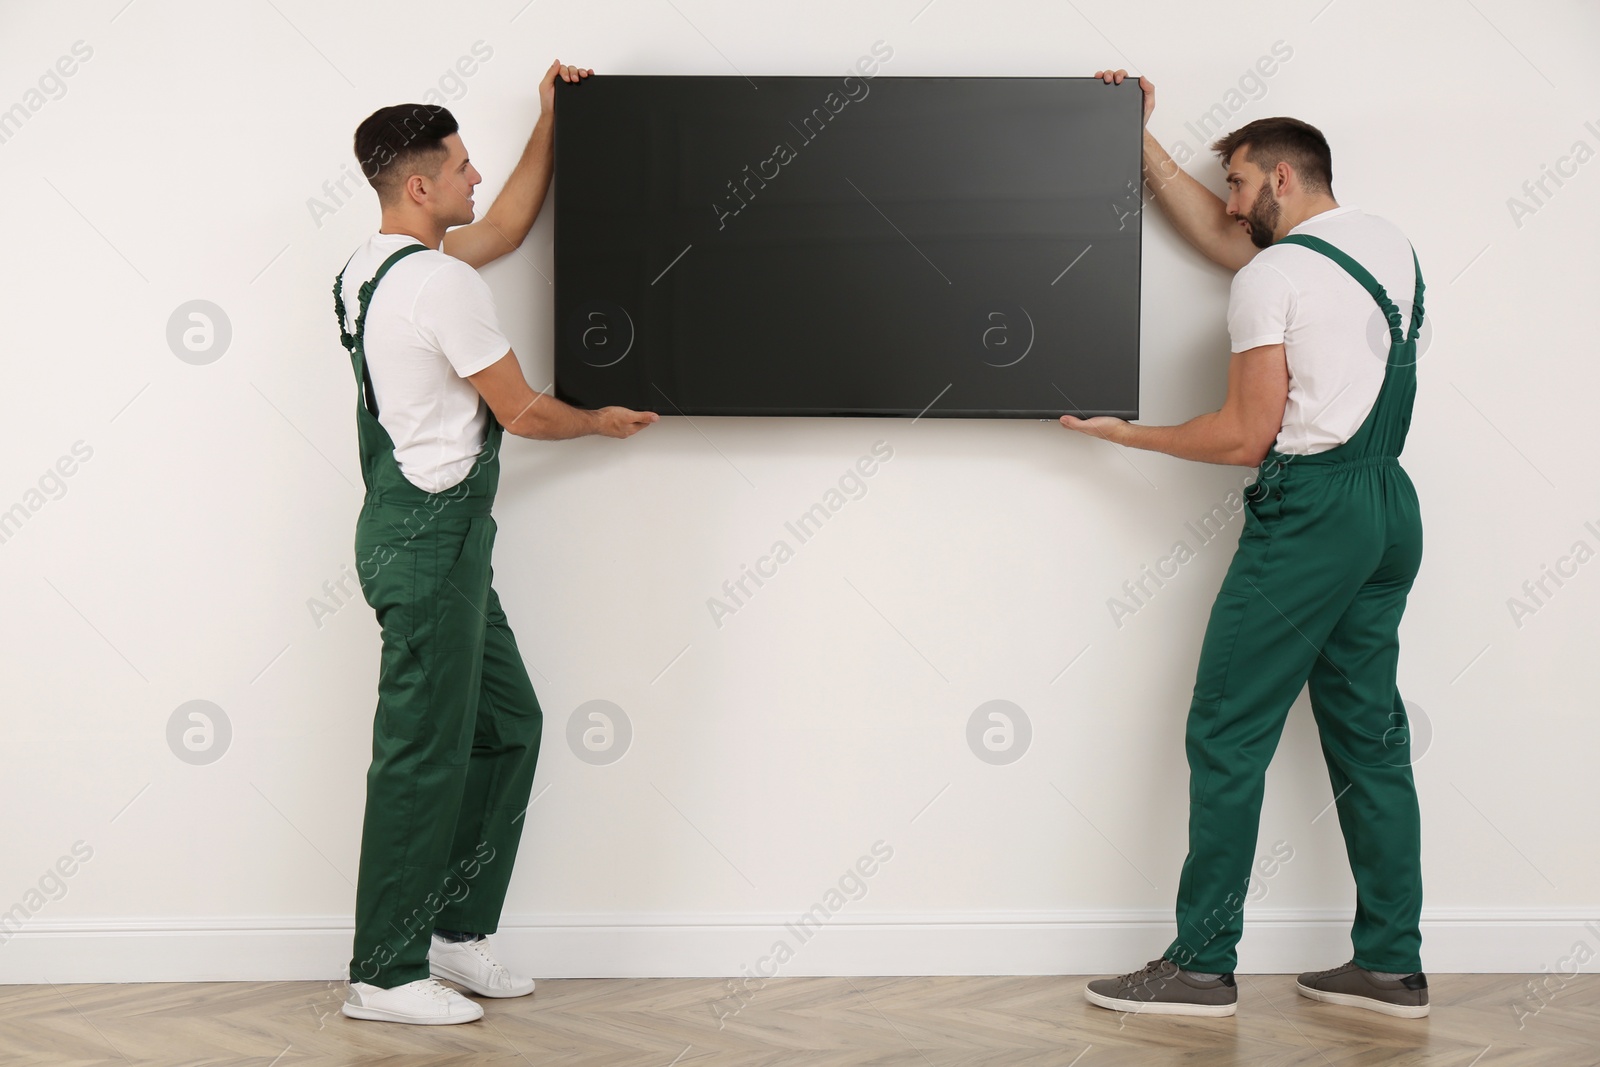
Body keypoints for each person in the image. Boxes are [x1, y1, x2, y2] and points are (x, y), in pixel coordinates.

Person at [1066, 69, 1429, 1019]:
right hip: (1390, 503)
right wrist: (1138, 139)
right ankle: (1390, 962)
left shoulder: (1275, 275)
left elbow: (1242, 438)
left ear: (1277, 180)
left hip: (1311, 516)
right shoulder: (1388, 247)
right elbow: (1229, 242)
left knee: (1228, 732)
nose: (1227, 206)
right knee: (1370, 740)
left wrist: (1125, 435)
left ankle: (1200, 964)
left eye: (1234, 184)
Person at [332, 60, 658, 1026]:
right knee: (421, 754)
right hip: (430, 542)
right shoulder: (440, 286)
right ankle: (383, 973)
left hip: (430, 534)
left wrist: (553, 118)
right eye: (464, 167)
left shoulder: (371, 268)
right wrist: (599, 421)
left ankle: (457, 936)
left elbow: (506, 226)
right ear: (420, 185)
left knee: (509, 723)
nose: (477, 181)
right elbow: (521, 410)